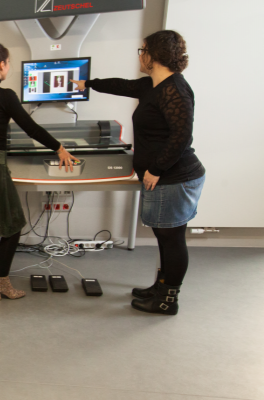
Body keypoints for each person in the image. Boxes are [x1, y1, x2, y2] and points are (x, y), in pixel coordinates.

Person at [71, 30, 205, 315]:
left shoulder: (175, 89)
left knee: (172, 239)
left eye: (142, 50)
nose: (140, 55)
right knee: (163, 234)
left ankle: (168, 299)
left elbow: (182, 136)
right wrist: (88, 83)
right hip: (163, 175)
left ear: (153, 55)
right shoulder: (152, 86)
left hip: (174, 176)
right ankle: (162, 285)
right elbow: (122, 85)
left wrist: (156, 169)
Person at [0, 43, 79, 301]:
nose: (9, 66)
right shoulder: (5, 96)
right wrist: (59, 148)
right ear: (1, 65)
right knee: (13, 225)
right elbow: (31, 128)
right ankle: (1, 284)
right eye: (9, 62)